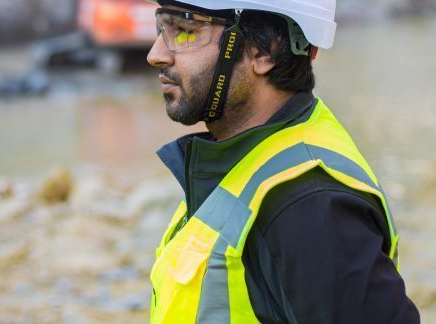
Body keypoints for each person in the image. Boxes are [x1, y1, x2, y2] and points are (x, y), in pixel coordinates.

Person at [145, 0, 420, 323]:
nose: (155, 54)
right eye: (162, 27)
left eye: (186, 31)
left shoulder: (309, 202)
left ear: (265, 51)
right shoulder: (238, 159)